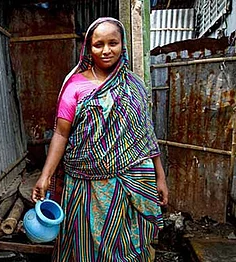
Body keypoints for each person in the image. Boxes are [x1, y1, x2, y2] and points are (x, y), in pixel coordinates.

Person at [31, 17, 169, 261]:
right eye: (98, 44)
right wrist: (45, 175)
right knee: (87, 245)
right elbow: (62, 133)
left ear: (122, 45)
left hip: (130, 182)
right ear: (88, 47)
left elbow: (146, 134)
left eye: (112, 43)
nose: (106, 50)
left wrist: (160, 177)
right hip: (86, 184)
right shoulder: (74, 85)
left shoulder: (134, 85)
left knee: (128, 245)